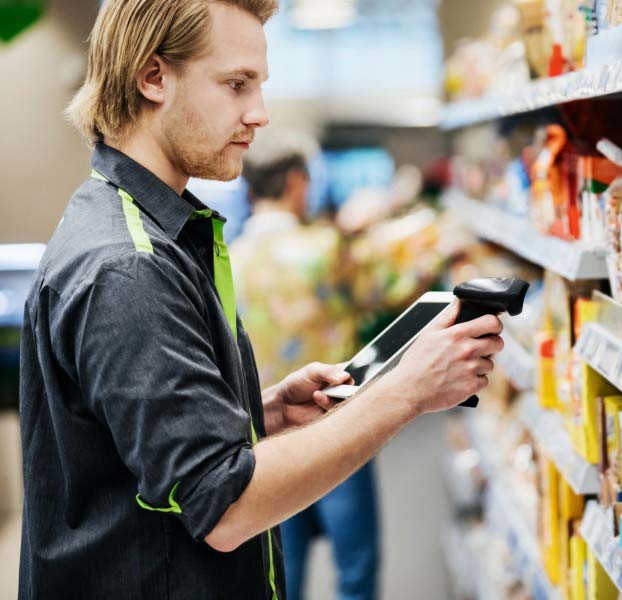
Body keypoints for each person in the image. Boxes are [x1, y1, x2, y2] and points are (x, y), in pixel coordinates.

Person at [18, 1, 503, 599]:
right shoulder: (129, 265)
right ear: (153, 77)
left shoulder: (137, 226)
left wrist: (256, 413)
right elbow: (225, 506)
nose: (260, 113)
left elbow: (132, 447)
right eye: (236, 84)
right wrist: (407, 392)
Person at [230, 136, 379, 600]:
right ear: (297, 182)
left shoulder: (227, 259)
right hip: (335, 421)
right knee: (354, 566)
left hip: (265, 437)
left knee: (282, 569)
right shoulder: (324, 248)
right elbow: (381, 290)